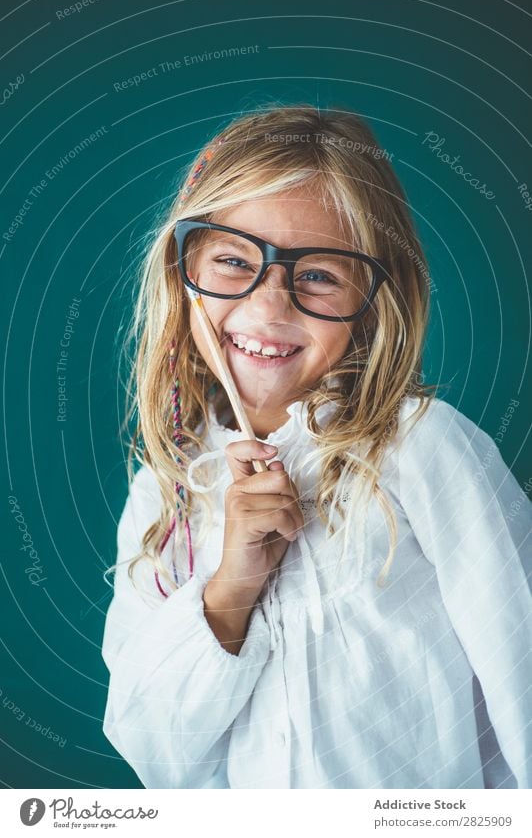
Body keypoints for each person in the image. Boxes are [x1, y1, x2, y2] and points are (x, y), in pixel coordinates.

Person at [101, 104, 532, 789]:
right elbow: (157, 750)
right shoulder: (165, 494)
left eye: (319, 275)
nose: (270, 306)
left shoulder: (423, 450)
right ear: (183, 275)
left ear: (374, 297)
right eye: (234, 260)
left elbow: (522, 673)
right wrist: (230, 589)